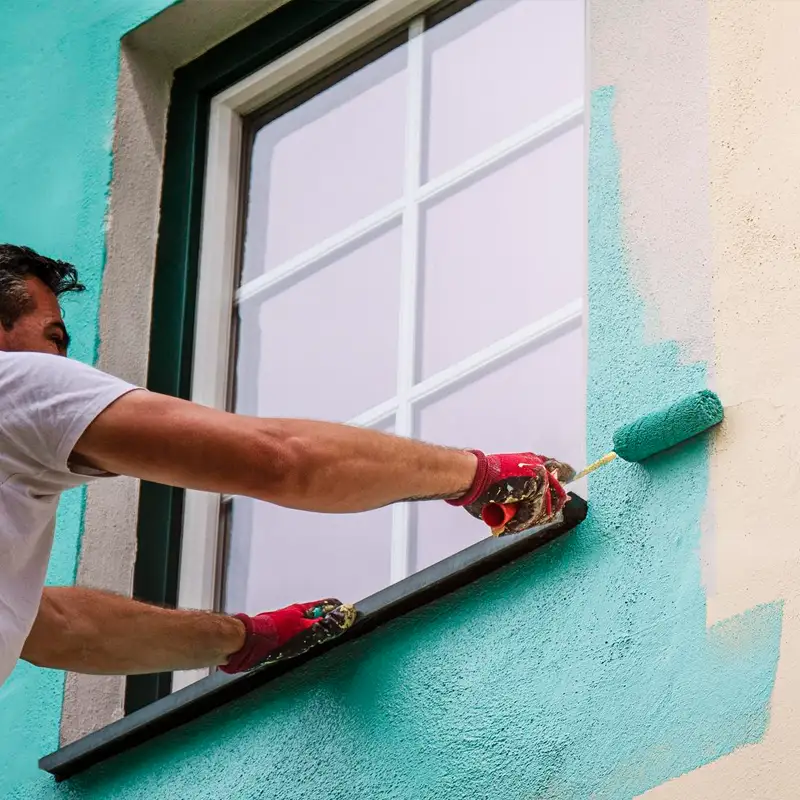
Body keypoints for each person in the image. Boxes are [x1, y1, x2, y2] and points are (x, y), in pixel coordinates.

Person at [0, 244, 572, 689]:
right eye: (54, 338)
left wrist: (248, 639)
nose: (60, 361)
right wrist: (480, 477)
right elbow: (278, 461)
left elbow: (55, 630)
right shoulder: (14, 384)